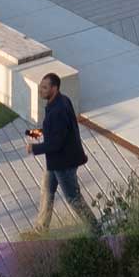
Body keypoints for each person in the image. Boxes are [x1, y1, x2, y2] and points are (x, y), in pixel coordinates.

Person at [26, 71, 93, 234]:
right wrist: (33, 133)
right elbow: (56, 132)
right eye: (41, 87)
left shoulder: (57, 111)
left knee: (73, 198)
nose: (41, 90)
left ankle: (95, 229)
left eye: (44, 87)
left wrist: (33, 148)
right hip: (56, 162)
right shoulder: (61, 101)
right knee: (47, 191)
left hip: (64, 163)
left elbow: (55, 143)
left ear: (54, 89)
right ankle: (41, 229)